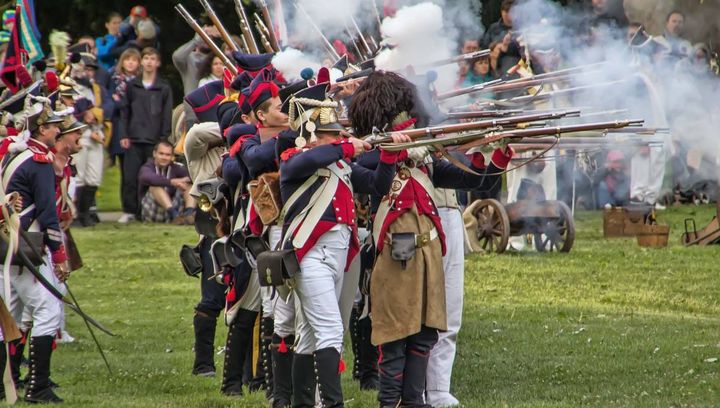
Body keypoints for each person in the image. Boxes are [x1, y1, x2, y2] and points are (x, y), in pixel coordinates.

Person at [348, 71, 512, 408]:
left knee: (424, 337)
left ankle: (415, 402)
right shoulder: (367, 156)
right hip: (394, 258)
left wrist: (496, 155)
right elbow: (378, 184)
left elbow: (478, 183)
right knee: (395, 339)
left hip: (428, 256)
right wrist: (394, 151)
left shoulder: (425, 160)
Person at [278, 83, 406, 408]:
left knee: (309, 335)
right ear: (309, 133)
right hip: (309, 256)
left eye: (338, 133)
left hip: (338, 258)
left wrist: (389, 156)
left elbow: (378, 184)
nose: (336, 138)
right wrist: (349, 147)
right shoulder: (295, 161)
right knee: (332, 330)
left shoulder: (341, 166)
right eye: (329, 134)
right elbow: (318, 157)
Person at [0, 99, 69, 403]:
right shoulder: (38, 161)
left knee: (13, 312)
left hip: (9, 244)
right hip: (26, 243)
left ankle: (10, 381)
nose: (59, 130)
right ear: (42, 129)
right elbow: (47, 211)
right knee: (48, 309)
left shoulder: (16, 156)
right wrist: (60, 256)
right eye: (55, 125)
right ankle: (37, 385)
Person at [117, 47, 173, 224]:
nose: (149, 62)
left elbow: (166, 115)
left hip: (154, 140)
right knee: (130, 177)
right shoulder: (132, 85)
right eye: (146, 58)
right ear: (141, 61)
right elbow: (124, 112)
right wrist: (124, 134)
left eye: (152, 58)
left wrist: (163, 139)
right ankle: (129, 210)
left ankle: (146, 210)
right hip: (133, 139)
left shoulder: (163, 87)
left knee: (150, 177)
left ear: (158, 63)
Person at [137, 141, 195, 223]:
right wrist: (172, 182)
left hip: (175, 207)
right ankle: (174, 215)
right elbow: (146, 178)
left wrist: (183, 182)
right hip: (153, 210)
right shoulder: (147, 167)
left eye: (168, 155)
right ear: (154, 154)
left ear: (172, 156)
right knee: (154, 186)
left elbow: (192, 177)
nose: (164, 157)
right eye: (161, 154)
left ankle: (189, 214)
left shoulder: (176, 167)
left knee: (189, 186)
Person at [74, 99, 106, 227]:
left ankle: (85, 213)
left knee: (94, 178)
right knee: (79, 177)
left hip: (95, 132)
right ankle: (76, 215)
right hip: (81, 134)